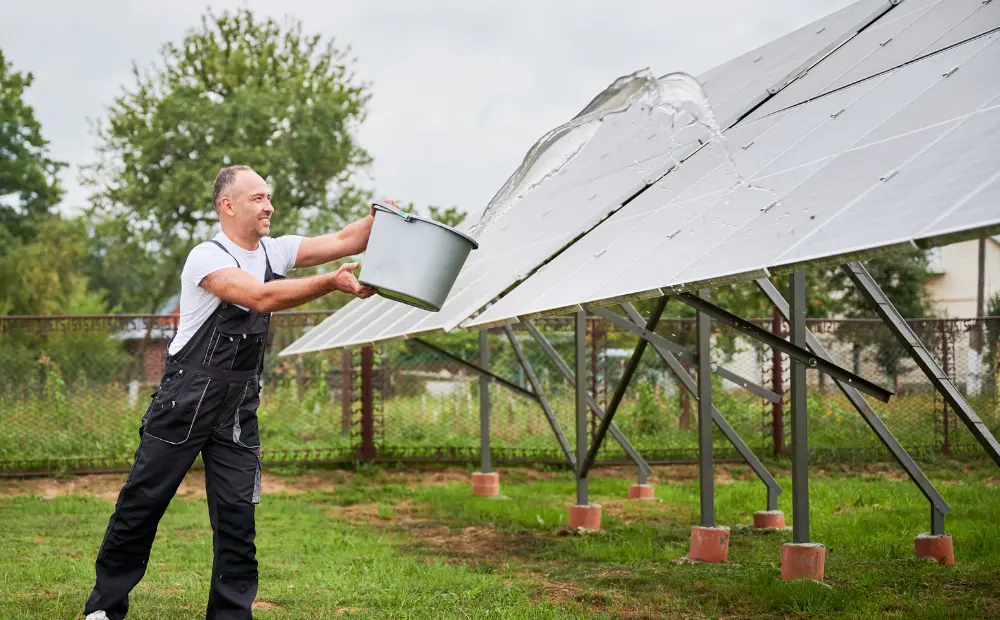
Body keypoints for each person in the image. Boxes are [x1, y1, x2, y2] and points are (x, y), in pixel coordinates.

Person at [84, 165, 383, 620]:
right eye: (259, 198)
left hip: (238, 411)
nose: (270, 206)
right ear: (229, 205)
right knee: (142, 504)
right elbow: (259, 297)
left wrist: (382, 219)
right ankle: (105, 608)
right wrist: (329, 283)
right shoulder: (207, 257)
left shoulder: (274, 250)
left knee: (238, 518)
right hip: (184, 402)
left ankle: (230, 614)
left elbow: (345, 240)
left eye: (269, 197)